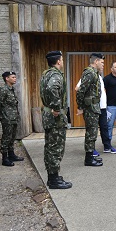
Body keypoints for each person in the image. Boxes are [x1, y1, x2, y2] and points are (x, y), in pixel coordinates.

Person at [40, 51, 72, 189]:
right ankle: (53, 180)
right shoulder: (55, 75)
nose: (63, 62)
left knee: (51, 146)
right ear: (58, 61)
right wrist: (57, 108)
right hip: (55, 118)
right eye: (62, 60)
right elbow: (52, 88)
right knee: (56, 148)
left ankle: (53, 176)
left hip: (49, 116)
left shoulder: (46, 73)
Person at [76, 53, 104, 166]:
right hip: (90, 108)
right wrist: (80, 107)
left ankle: (91, 155)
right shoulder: (89, 73)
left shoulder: (95, 73)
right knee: (91, 133)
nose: (103, 65)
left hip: (94, 107)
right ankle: (88, 159)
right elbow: (80, 91)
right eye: (102, 63)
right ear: (96, 61)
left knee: (93, 132)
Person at [0, 71, 24, 166]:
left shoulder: (11, 89)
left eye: (15, 77)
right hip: (7, 117)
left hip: (13, 117)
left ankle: (11, 154)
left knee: (12, 137)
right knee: (6, 137)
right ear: (7, 78)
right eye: (13, 77)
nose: (15, 78)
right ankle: (5, 157)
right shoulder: (3, 89)